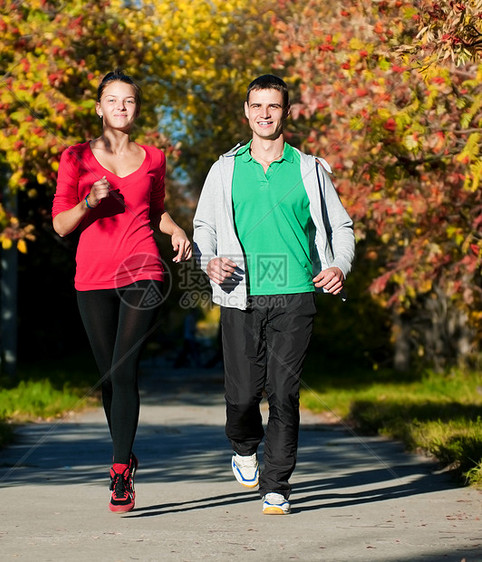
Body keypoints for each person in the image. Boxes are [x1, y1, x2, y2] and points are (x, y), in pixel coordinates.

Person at [193, 74, 355, 515]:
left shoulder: (308, 169)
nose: (265, 114)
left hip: (296, 293)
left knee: (284, 392)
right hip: (239, 293)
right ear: (246, 112)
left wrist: (339, 264)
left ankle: (277, 485)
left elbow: (341, 226)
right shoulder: (225, 168)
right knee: (243, 394)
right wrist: (207, 260)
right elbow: (204, 227)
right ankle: (244, 445)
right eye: (257, 106)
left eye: (274, 106)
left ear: (286, 112)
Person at [52, 70, 192, 513]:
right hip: (91, 276)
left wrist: (176, 231)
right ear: (98, 107)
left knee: (125, 368)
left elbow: (154, 212)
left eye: (129, 101)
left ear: (136, 107)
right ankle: (125, 452)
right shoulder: (74, 157)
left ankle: (118, 474)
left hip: (143, 270)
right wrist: (88, 202)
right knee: (108, 377)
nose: (121, 108)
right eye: (113, 101)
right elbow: (59, 225)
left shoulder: (153, 157)